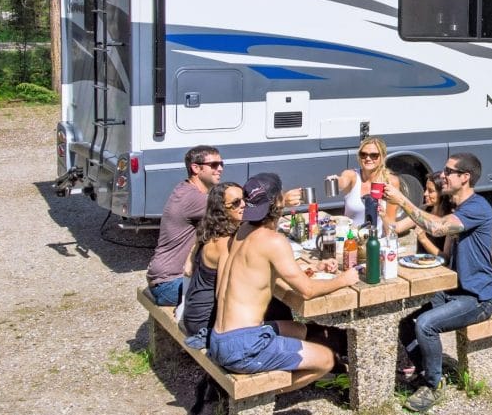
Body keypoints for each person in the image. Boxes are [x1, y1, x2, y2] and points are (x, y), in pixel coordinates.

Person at [209, 173, 359, 389]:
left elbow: (259, 269)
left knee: (300, 329)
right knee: (325, 359)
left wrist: (312, 267)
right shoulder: (273, 241)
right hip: (243, 345)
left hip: (220, 336)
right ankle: (260, 393)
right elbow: (307, 291)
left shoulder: (242, 230)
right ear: (278, 201)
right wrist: (344, 279)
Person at [384, 152, 492, 413]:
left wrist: (402, 200)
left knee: (426, 324)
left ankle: (434, 385)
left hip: (477, 298)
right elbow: (444, 256)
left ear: (465, 178)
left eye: (448, 172)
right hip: (451, 290)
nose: (442, 175)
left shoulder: (478, 207)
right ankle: (424, 367)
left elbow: (437, 229)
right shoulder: (457, 209)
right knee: (402, 311)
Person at [146, 145, 222, 306]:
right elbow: (236, 212)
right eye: (214, 165)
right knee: (234, 291)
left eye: (222, 164)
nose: (220, 169)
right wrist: (281, 203)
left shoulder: (185, 189)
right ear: (195, 168)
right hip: (170, 284)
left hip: (164, 279)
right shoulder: (193, 199)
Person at [178, 181, 245, 348]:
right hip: (204, 323)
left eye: (245, 200)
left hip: (193, 312)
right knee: (273, 309)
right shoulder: (225, 244)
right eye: (236, 203)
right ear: (221, 210)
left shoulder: (211, 231)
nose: (243, 205)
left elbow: (188, 268)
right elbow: (223, 293)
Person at [328, 136, 401, 230]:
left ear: (382, 157)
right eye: (363, 154)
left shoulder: (391, 182)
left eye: (374, 155)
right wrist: (335, 181)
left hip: (377, 240)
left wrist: (383, 215)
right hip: (351, 239)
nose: (368, 158)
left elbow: (391, 225)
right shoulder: (352, 176)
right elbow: (343, 181)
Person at [394, 171, 452, 258]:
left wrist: (423, 239)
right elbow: (397, 228)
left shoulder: (450, 218)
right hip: (419, 263)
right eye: (426, 189)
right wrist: (383, 214)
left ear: (443, 194)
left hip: (438, 268)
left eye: (431, 191)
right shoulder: (424, 210)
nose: (425, 194)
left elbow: (445, 258)